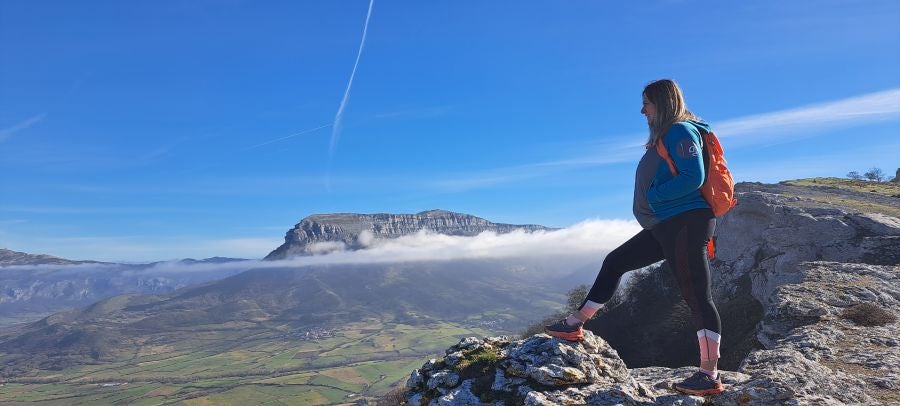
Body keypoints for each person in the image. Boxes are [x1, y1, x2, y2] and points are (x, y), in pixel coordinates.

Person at [544, 79, 724, 396]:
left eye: (647, 103)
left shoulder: (681, 131)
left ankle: (709, 375)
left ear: (663, 102)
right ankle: (574, 324)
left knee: (696, 295)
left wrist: (655, 196)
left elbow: (692, 176)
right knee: (615, 262)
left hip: (685, 222)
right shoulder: (666, 136)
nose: (642, 110)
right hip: (666, 225)